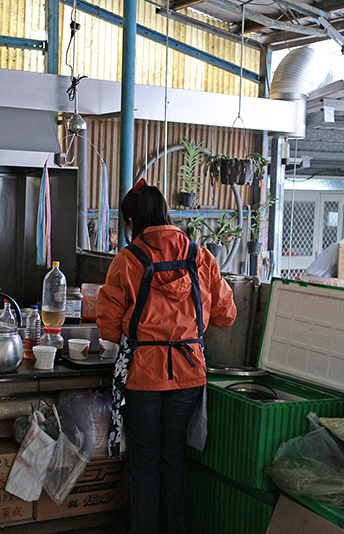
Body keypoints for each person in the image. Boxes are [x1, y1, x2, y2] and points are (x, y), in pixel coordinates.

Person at [97, 178, 237, 534]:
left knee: (144, 460)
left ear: (133, 222)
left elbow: (109, 328)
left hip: (144, 374)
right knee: (173, 456)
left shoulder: (128, 260)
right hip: (190, 373)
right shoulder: (200, 255)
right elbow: (226, 315)